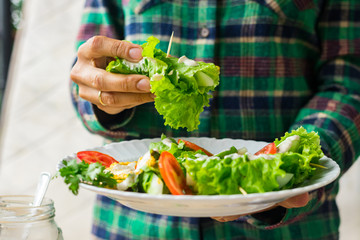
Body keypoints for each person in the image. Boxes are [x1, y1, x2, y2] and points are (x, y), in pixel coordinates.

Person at [70, 0, 360, 239]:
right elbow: (86, 70)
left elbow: (349, 84)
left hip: (289, 229)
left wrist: (292, 166)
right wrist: (102, 97)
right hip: (133, 227)